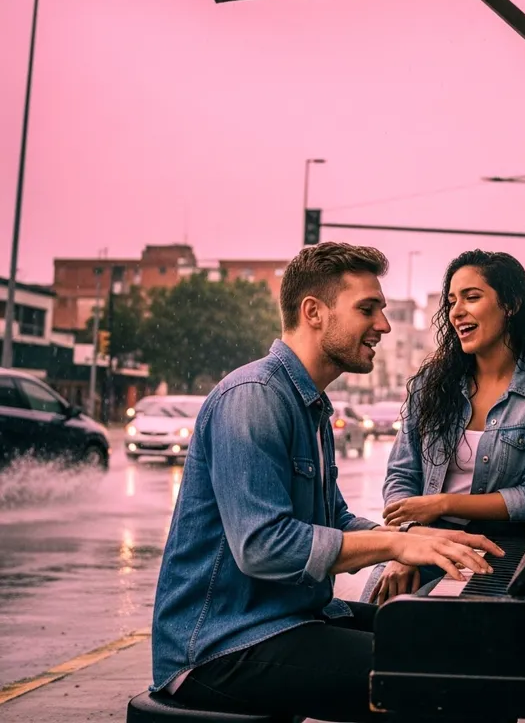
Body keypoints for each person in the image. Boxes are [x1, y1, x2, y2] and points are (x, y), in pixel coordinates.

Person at [149, 242, 504, 723]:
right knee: (442, 681)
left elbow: (333, 517)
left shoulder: (309, 404)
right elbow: (263, 547)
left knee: (470, 650)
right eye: (367, 309)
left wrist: (414, 536)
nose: (383, 324)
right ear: (313, 312)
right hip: (223, 644)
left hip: (292, 620)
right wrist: (396, 549)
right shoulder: (254, 398)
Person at [363, 249, 525, 604]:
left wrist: (443, 505)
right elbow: (401, 476)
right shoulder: (431, 383)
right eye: (451, 301)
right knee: (375, 612)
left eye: (471, 297)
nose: (456, 311)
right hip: (424, 539)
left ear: (510, 304)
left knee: (426, 625)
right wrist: (408, 541)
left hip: (498, 548)